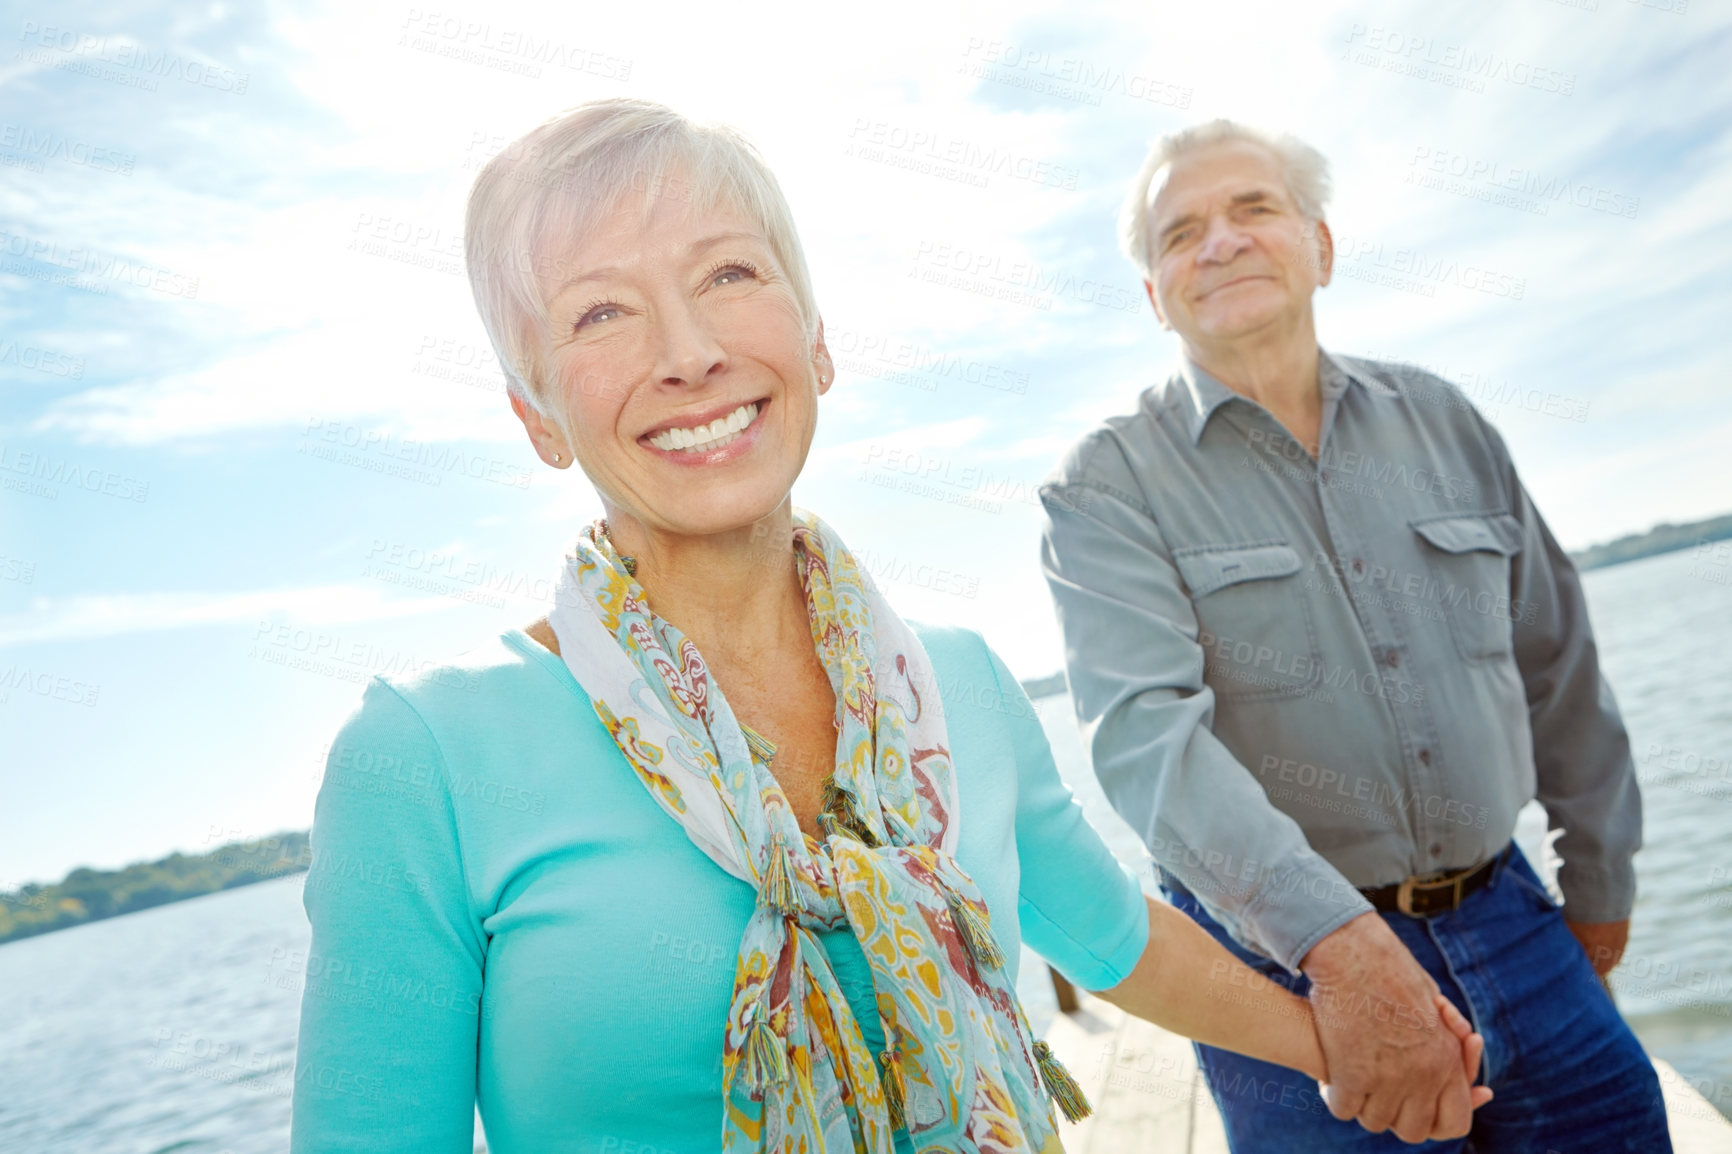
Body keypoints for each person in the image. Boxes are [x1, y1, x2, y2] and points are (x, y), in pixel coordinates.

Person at [288, 102, 1487, 1153]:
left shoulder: (955, 681)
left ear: (816, 340)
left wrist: (1347, 1040)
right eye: (600, 313)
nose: (691, 353)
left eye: (727, 276)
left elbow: (1115, 936)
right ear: (536, 413)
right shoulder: (425, 757)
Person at [1037, 118, 1670, 1151]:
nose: (1221, 241)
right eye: (1180, 231)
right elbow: (1147, 744)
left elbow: (1559, 666)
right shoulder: (1105, 486)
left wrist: (1600, 880)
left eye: (1253, 208)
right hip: (1281, 970)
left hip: (1514, 919)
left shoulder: (1445, 420)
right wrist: (1338, 944)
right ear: (1154, 293)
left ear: (1319, 244)